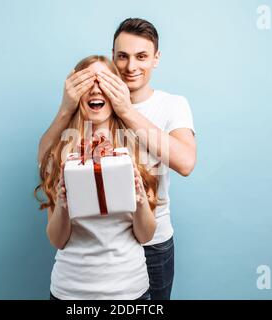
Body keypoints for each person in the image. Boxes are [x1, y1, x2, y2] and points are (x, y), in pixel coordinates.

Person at [38, 18, 197, 300]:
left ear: (156, 58)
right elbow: (45, 159)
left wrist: (125, 110)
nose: (131, 66)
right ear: (113, 57)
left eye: (142, 56)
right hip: (84, 270)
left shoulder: (171, 105)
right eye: (122, 56)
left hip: (152, 238)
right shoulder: (76, 130)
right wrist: (67, 108)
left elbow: (185, 162)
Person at [35, 55, 160, 300]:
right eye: (87, 82)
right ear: (75, 94)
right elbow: (57, 240)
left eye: (104, 81)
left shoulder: (138, 147)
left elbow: (145, 236)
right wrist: (62, 204)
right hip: (70, 291)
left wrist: (140, 199)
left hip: (129, 291)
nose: (95, 89)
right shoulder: (59, 152)